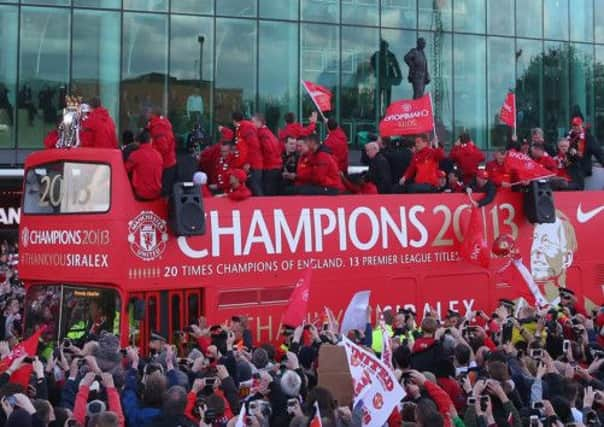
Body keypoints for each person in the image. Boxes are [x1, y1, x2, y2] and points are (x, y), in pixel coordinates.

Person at [124, 130, 163, 201]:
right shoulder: (158, 155)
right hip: (156, 194)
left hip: (141, 194)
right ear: (150, 140)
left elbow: (124, 171)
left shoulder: (135, 155)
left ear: (138, 142)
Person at [147, 108, 177, 196]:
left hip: (164, 164)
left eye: (148, 112)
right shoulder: (163, 123)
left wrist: (149, 148)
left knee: (163, 192)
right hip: (170, 161)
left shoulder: (158, 127)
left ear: (153, 114)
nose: (146, 113)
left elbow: (162, 147)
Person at [252, 113, 283, 196]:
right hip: (275, 166)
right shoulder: (268, 132)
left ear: (259, 122)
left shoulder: (262, 134)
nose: (252, 124)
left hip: (269, 167)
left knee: (268, 193)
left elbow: (268, 149)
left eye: (253, 122)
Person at [370, 39, 402, 114]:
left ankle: (387, 113)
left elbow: (396, 66)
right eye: (381, 46)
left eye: (384, 46)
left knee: (386, 99)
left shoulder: (391, 55)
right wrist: (375, 70)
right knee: (377, 98)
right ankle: (376, 113)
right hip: (380, 79)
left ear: (387, 47)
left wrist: (399, 76)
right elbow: (372, 63)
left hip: (388, 79)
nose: (383, 48)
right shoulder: (376, 55)